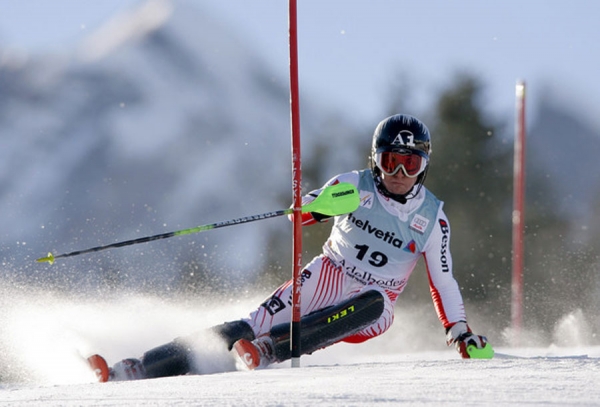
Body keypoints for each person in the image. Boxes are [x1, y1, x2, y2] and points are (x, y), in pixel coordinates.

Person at [88, 113, 490, 382]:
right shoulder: (353, 184)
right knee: (247, 324)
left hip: (375, 299)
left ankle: (270, 350)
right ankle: (137, 368)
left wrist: (460, 332)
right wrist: (313, 208)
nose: (399, 174)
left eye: (411, 164)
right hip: (328, 273)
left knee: (374, 305)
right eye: (389, 162)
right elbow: (299, 216)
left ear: (425, 165)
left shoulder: (432, 217)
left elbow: (443, 280)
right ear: (375, 160)